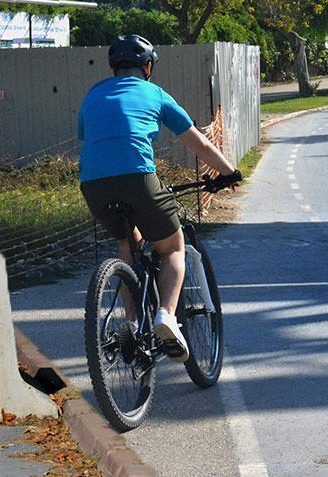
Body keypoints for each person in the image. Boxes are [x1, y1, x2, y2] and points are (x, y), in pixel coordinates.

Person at [77, 34, 241, 362]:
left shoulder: (93, 95)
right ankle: (166, 316)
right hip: (138, 177)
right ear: (148, 67)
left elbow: (89, 137)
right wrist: (228, 172)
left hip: (92, 184)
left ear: (113, 69)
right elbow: (199, 143)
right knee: (173, 247)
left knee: (128, 245)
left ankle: (132, 324)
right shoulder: (155, 94)